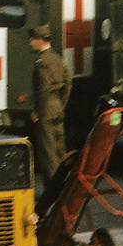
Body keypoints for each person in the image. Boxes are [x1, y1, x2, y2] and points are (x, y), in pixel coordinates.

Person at [28, 24, 72, 182]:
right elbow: (67, 82)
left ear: (40, 40)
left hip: (46, 109)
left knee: (48, 152)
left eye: (32, 40)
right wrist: (61, 103)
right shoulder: (56, 58)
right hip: (57, 107)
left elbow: (43, 89)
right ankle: (65, 183)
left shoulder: (41, 62)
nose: (30, 43)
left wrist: (37, 111)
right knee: (60, 149)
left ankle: (53, 188)